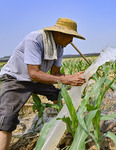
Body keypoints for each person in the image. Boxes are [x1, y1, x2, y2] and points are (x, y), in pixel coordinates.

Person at [0, 18, 86, 150]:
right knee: (7, 118)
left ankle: (70, 127)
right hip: (17, 78)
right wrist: (67, 80)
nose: (71, 42)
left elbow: (56, 74)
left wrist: (73, 77)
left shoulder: (59, 47)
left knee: (60, 96)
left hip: (38, 79)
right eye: (70, 37)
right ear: (60, 34)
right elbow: (33, 73)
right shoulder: (35, 39)